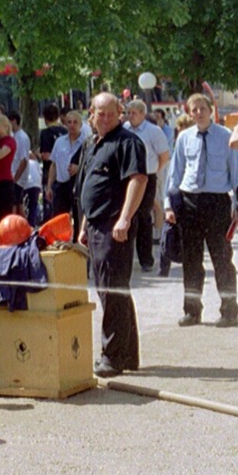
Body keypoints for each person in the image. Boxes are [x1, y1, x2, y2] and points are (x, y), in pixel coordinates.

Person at [75, 93, 147, 377]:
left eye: (109, 113)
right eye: (99, 113)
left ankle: (113, 356)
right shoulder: (91, 143)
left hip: (114, 225)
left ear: (120, 113)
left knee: (112, 289)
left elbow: (138, 180)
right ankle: (127, 354)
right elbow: (89, 187)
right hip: (94, 224)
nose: (104, 118)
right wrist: (83, 224)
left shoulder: (128, 142)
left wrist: (125, 218)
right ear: (91, 113)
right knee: (112, 289)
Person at [167, 93, 238, 328]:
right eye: (194, 110)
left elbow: (236, 174)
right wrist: (170, 204)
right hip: (190, 203)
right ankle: (192, 310)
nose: (198, 113)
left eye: (202, 108)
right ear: (189, 114)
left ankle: (229, 311)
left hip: (217, 202)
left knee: (222, 259)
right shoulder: (184, 138)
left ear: (211, 110)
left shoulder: (226, 137)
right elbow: (175, 173)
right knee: (191, 260)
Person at [124, 99, 170, 272]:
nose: (131, 116)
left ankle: (146, 259)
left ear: (143, 114)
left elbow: (164, 155)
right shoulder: (124, 129)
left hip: (146, 177)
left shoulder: (153, 131)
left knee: (144, 216)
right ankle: (126, 258)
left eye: (134, 113)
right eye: (129, 113)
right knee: (127, 215)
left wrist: (154, 171)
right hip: (127, 178)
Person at [45, 111, 85, 224]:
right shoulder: (59, 142)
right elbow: (53, 164)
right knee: (58, 219)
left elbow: (92, 164)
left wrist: (79, 168)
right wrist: (49, 186)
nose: (72, 125)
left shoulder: (87, 142)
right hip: (61, 186)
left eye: (75, 122)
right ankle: (59, 241)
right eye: (69, 122)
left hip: (77, 187)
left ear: (80, 124)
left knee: (78, 219)